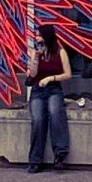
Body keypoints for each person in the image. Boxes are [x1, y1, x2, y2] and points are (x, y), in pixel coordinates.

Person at [26, 23, 72, 173]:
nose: (37, 38)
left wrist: (51, 78)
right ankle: (35, 160)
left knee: (55, 114)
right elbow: (32, 75)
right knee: (38, 119)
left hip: (54, 89)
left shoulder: (60, 52)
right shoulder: (36, 53)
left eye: (39, 35)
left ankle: (60, 155)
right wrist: (35, 58)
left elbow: (68, 74)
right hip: (38, 90)